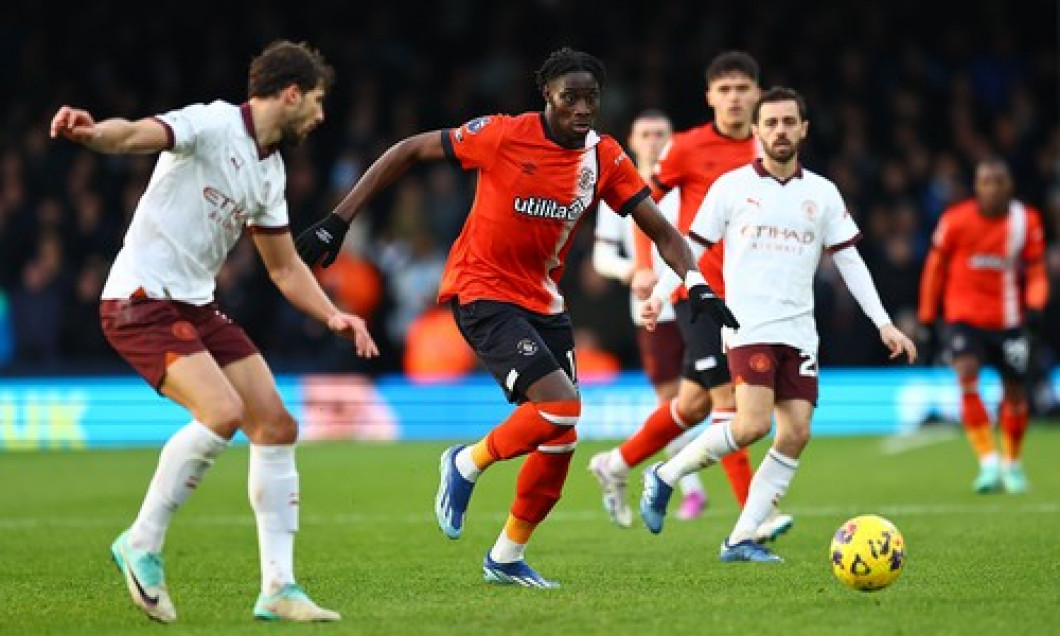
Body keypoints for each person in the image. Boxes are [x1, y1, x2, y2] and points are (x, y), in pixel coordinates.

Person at [296, 47, 738, 587]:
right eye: (569, 97)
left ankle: (506, 556)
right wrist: (339, 221)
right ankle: (465, 463)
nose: (581, 108)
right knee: (560, 405)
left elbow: (663, 232)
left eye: (590, 98)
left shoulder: (605, 158)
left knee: (562, 438)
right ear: (547, 96)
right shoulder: (503, 134)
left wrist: (695, 283)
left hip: (544, 302)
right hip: (482, 291)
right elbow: (408, 150)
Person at [49, 40, 379, 623]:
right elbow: (131, 137)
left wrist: (332, 314)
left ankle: (278, 589)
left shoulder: (270, 171)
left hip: (195, 305)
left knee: (276, 425)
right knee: (223, 414)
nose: (322, 116)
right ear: (292, 93)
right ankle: (142, 542)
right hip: (140, 299)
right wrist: (91, 132)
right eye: (319, 102)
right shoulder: (211, 123)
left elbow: (282, 266)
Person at [637, 87, 917, 561]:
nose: (780, 131)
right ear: (756, 131)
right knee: (751, 424)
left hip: (800, 331)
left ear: (803, 129)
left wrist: (884, 324)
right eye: (771, 123)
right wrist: (660, 294)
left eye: (789, 122)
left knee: (797, 432)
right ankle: (665, 475)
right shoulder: (730, 187)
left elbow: (850, 262)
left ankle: (741, 538)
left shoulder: (823, 193)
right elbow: (692, 248)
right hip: (748, 324)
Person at [588, 51, 792, 541]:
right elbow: (642, 206)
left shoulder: (771, 150)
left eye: (743, 88)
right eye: (724, 89)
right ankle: (754, 518)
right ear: (709, 97)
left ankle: (616, 464)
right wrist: (642, 268)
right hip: (698, 292)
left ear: (758, 94)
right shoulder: (686, 148)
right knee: (731, 404)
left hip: (752, 297)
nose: (734, 98)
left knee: (693, 405)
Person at [591, 109, 710, 521]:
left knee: (707, 397)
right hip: (652, 312)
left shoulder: (682, 188)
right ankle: (689, 488)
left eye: (661, 132)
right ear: (632, 139)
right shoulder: (617, 192)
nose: (654, 140)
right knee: (670, 402)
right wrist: (630, 270)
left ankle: (649, 470)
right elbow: (602, 255)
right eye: (645, 133)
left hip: (693, 303)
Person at [918, 158, 1049, 494]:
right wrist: (928, 316)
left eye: (999, 181)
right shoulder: (955, 220)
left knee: (1016, 394)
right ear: (976, 186)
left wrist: (1035, 304)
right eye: (986, 181)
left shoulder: (1025, 221)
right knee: (966, 373)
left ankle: (1012, 464)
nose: (993, 188)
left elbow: (1035, 271)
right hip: (964, 318)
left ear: (1010, 185)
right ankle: (988, 463)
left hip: (1008, 321)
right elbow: (935, 268)